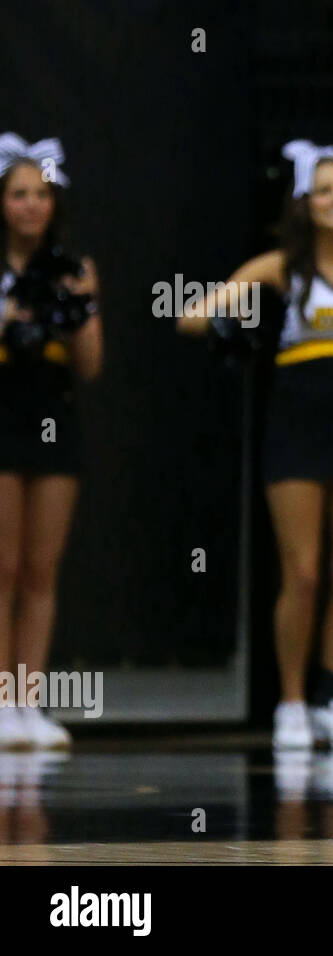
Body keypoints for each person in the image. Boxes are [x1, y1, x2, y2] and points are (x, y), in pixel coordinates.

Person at [178, 139, 333, 750]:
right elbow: (189, 317)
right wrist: (229, 322)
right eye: (325, 189)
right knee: (301, 572)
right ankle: (291, 703)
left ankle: (331, 698)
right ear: (304, 200)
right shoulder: (277, 268)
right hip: (294, 428)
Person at [0, 134, 103, 750]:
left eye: (42, 195)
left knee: (41, 568)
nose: (32, 206)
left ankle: (27, 702)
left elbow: (90, 364)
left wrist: (79, 309)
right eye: (18, 195)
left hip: (53, 416)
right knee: (2, 566)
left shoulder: (75, 268)